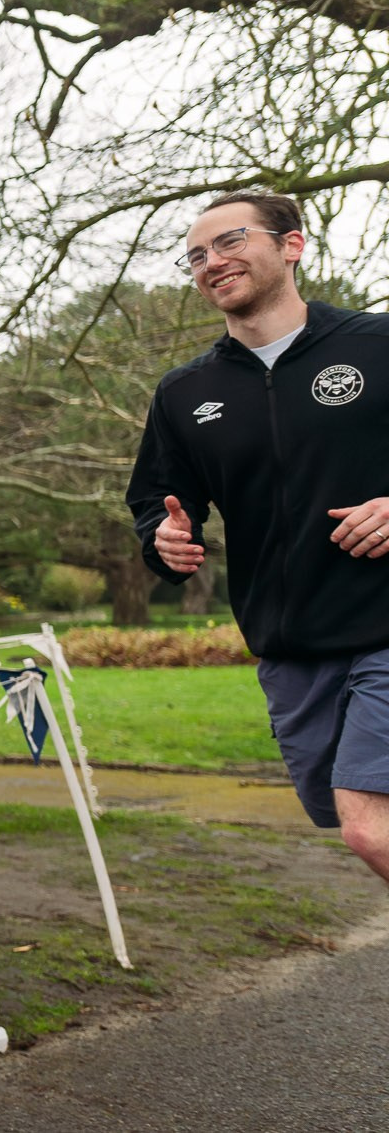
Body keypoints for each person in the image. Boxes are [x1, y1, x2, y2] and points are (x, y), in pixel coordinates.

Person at [129, 188, 389, 884]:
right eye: (196, 255)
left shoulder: (376, 344)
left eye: (231, 240)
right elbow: (154, 500)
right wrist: (166, 539)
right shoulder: (185, 393)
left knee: (370, 824)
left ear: (292, 245)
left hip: (384, 631)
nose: (211, 261)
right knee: (356, 821)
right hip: (289, 652)